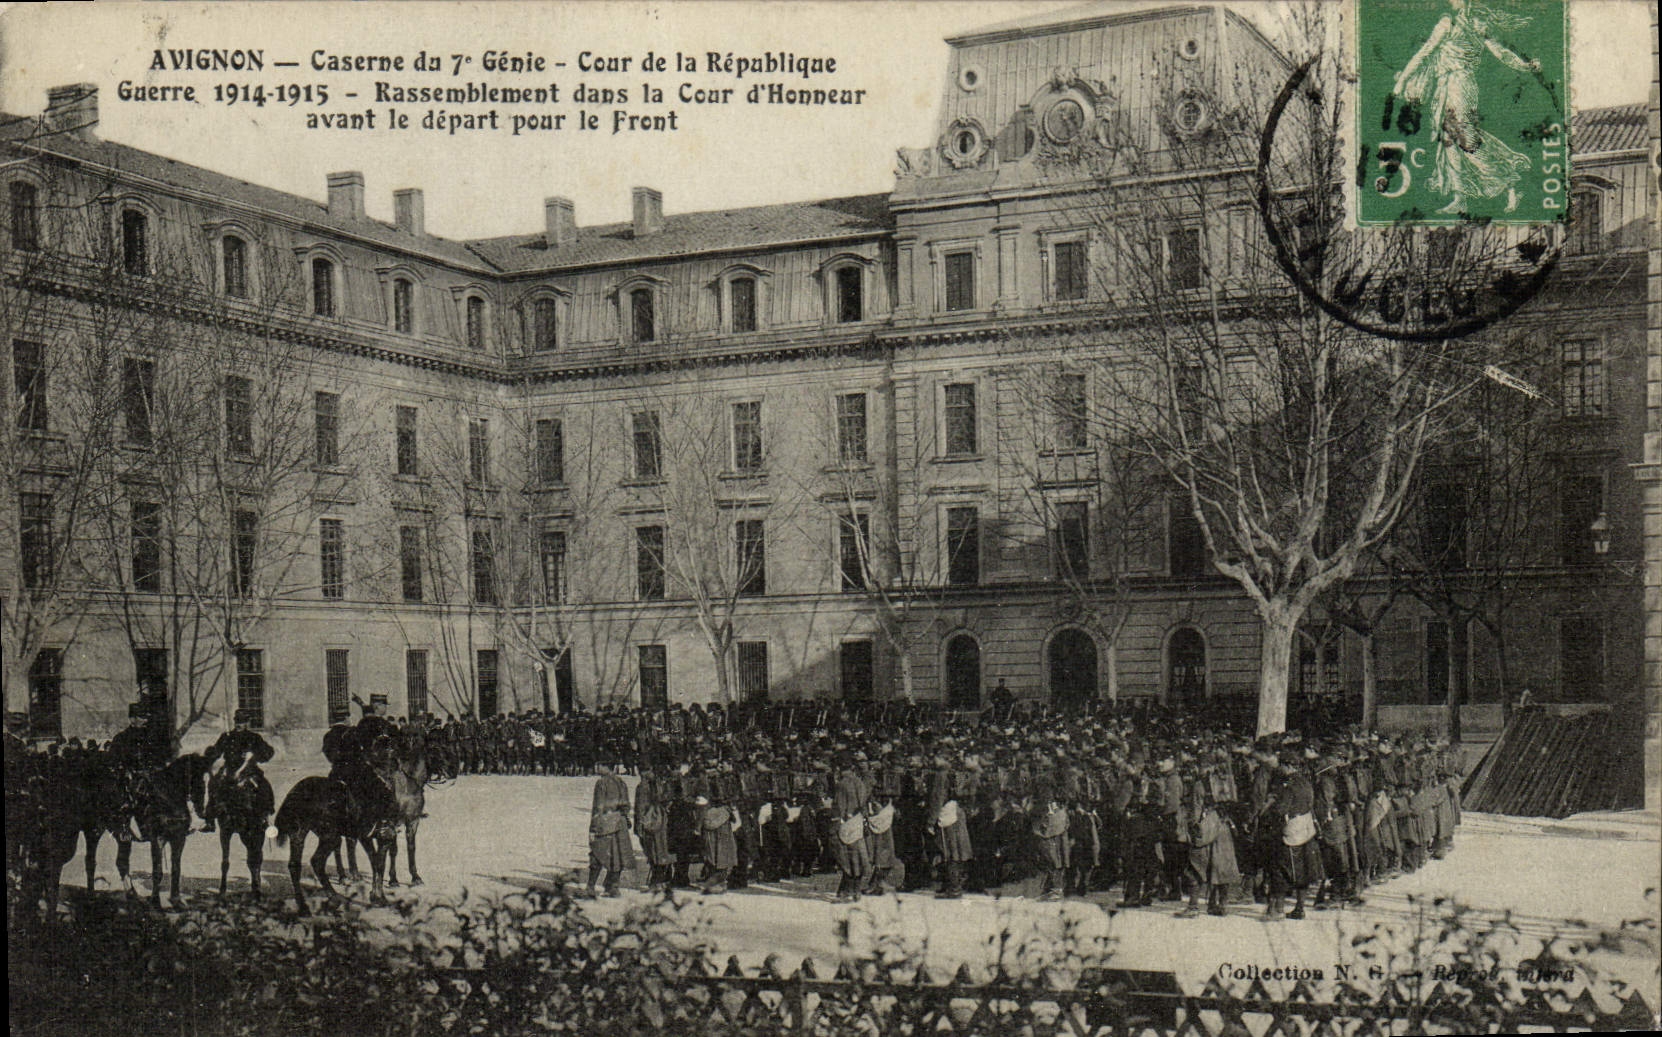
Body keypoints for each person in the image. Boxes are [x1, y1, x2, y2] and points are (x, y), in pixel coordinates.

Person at [1389, 0, 1542, 214]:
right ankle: (1460, 197)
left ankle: (1509, 180)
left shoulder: (1466, 24)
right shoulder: (1457, 23)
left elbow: (1501, 53)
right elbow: (1425, 53)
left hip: (1460, 84)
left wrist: (1525, 66)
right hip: (1446, 85)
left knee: (1464, 137)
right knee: (1449, 139)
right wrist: (1403, 80)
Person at [199, 712, 275, 833]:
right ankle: (210, 820)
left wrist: (255, 755)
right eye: (237, 721)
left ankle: (263, 818)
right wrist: (209, 755)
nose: (239, 724)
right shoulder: (226, 737)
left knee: (263, 786)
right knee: (213, 784)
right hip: (229, 770)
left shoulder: (254, 737)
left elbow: (269, 752)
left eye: (242, 722)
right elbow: (216, 752)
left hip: (249, 770)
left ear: (247, 723)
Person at [586, 762, 634, 897]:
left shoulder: (601, 783)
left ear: (606, 766)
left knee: (597, 853)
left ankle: (590, 887)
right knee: (617, 854)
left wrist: (593, 828)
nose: (597, 768)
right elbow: (626, 805)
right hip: (620, 822)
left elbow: (598, 807)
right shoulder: (621, 782)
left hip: (605, 823)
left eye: (599, 765)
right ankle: (613, 887)